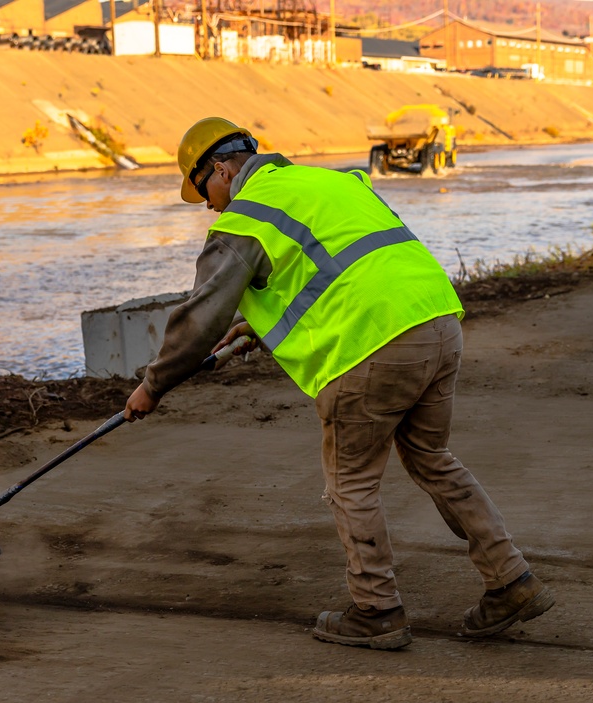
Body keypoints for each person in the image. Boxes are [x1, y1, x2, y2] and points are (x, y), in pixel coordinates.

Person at [124, 117, 554, 650]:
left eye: (204, 191)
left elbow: (197, 318)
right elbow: (338, 269)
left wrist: (152, 385)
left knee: (350, 484)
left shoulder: (245, 217)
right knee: (434, 460)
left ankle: (377, 612)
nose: (210, 206)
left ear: (220, 169)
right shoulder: (328, 182)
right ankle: (511, 580)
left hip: (371, 348)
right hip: (437, 323)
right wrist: (256, 325)